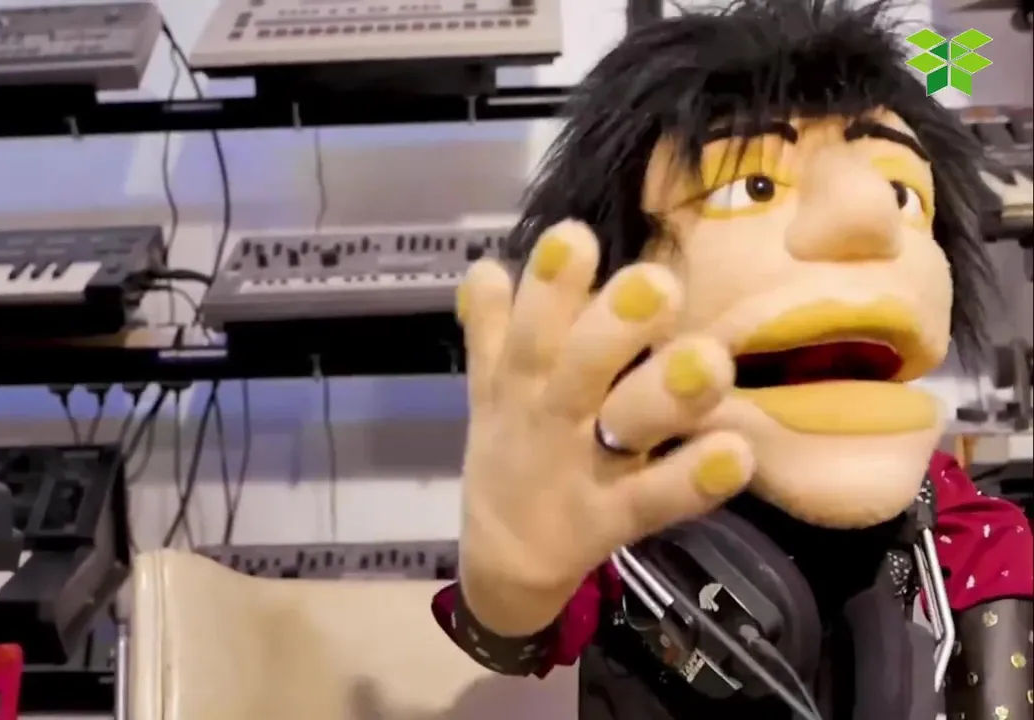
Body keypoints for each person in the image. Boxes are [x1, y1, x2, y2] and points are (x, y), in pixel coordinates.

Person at [431, 1, 1034, 718]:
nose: (869, 216)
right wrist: (511, 580)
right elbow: (509, 638)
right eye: (753, 187)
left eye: (901, 191)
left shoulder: (963, 529)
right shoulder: (618, 495)